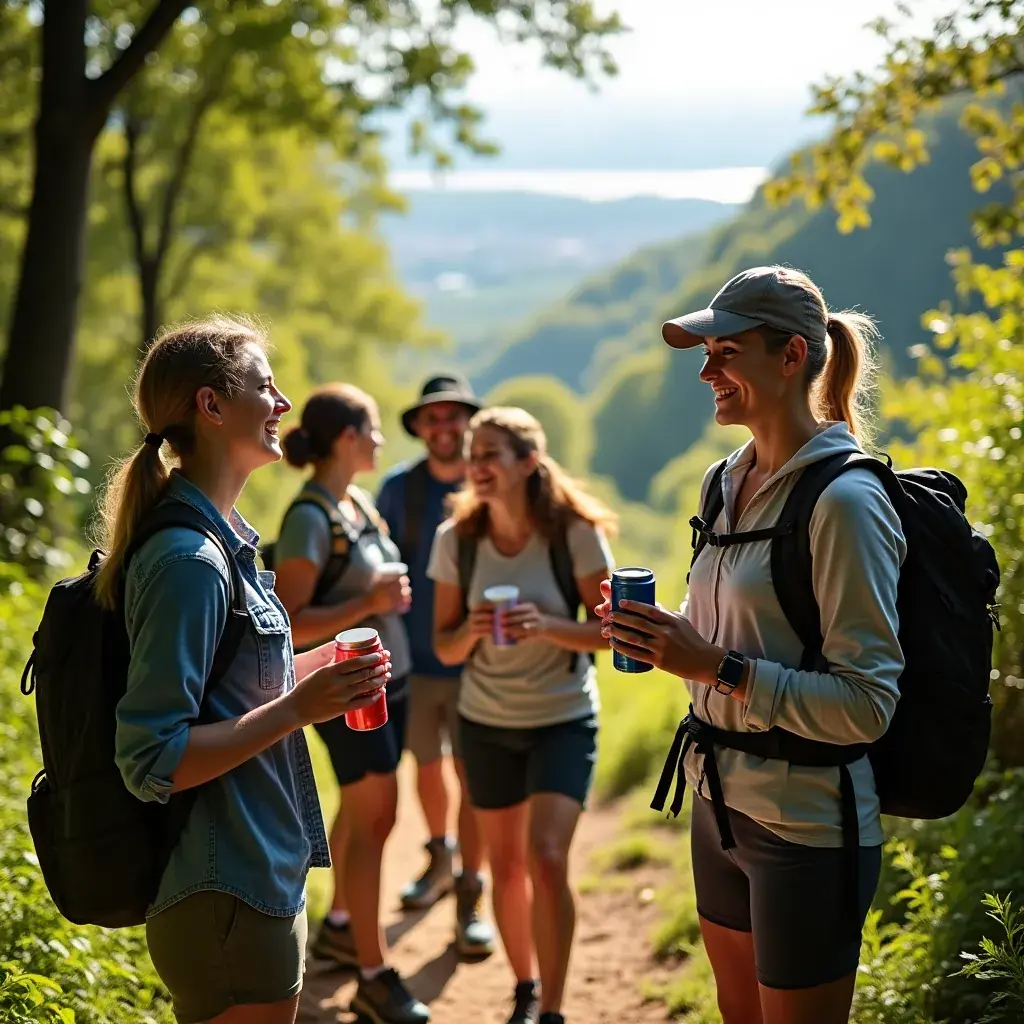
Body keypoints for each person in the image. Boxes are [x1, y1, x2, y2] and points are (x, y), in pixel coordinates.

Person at [601, 265, 906, 1024]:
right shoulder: (722, 480)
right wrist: (665, 635)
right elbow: (731, 622)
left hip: (807, 824)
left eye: (726, 352)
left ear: (793, 357)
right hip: (717, 805)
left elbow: (868, 706)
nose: (705, 370)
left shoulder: (846, 502)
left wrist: (714, 666)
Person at [105, 316, 393, 1024]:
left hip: (254, 876)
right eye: (266, 387)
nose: (285, 405)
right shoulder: (189, 564)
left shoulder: (223, 543)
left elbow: (230, 686)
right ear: (211, 405)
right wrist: (299, 708)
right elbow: (152, 759)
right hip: (221, 892)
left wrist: (316, 670)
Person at [429, 407, 617, 1024]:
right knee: (505, 866)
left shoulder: (575, 534)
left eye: (491, 454)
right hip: (484, 722)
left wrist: (552, 627)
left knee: (548, 857)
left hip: (562, 719)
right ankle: (525, 989)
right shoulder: (455, 539)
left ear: (528, 463)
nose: (476, 465)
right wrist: (474, 631)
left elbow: (612, 633)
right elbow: (443, 646)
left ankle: (555, 1010)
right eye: (472, 453)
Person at [271, 384, 428, 1024]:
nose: (381, 439)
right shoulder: (309, 518)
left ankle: (340, 923)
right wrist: (369, 603)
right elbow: (288, 622)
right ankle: (372, 974)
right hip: (350, 692)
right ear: (345, 437)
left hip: (392, 684)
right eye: (372, 428)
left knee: (375, 818)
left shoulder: (356, 502)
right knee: (374, 819)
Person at [376, 373, 495, 957]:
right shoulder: (399, 489)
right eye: (433, 418)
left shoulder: (490, 482)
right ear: (420, 427)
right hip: (417, 662)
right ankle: (440, 854)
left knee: (473, 777)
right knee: (426, 767)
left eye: (453, 416)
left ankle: (471, 890)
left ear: (467, 422)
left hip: (480, 661)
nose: (444, 427)